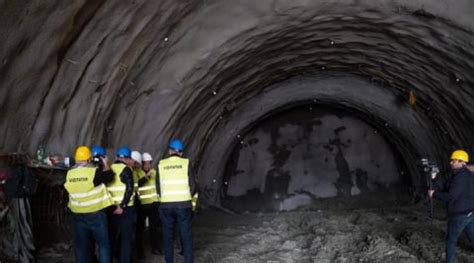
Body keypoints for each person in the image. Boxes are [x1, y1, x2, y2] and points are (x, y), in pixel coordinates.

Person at [63, 146, 114, 263]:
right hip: (96, 215)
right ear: (89, 159)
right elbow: (109, 176)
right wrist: (105, 163)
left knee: (81, 247)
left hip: (78, 215)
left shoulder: (69, 174)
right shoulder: (93, 173)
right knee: (103, 245)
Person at [429, 150, 474, 263]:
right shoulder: (465, 174)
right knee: (472, 236)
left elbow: (450, 196)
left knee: (450, 241)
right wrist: (435, 177)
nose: (451, 162)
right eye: (451, 160)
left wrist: (434, 194)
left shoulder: (461, 177)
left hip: (459, 215)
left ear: (461, 162)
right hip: (470, 212)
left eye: (454, 160)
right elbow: (447, 187)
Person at [157, 139, 196, 263]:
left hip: (166, 205)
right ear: (181, 153)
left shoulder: (161, 164)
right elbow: (193, 186)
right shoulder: (186, 163)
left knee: (168, 238)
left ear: (169, 151)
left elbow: (158, 187)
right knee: (186, 236)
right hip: (183, 205)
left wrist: (163, 199)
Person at [107, 146, 136, 263]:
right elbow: (129, 189)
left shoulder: (109, 169)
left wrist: (112, 206)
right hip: (125, 209)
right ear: (128, 159)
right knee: (126, 239)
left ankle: (112, 258)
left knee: (112, 236)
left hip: (111, 208)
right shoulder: (126, 169)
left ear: (117, 157)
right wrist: (122, 206)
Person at [137, 152, 161, 256]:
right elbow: (136, 184)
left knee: (153, 228)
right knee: (140, 228)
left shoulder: (155, 173)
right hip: (142, 205)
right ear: (141, 164)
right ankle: (139, 250)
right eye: (145, 163)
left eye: (149, 163)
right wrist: (146, 177)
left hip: (154, 204)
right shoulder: (137, 173)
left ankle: (155, 248)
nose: (148, 165)